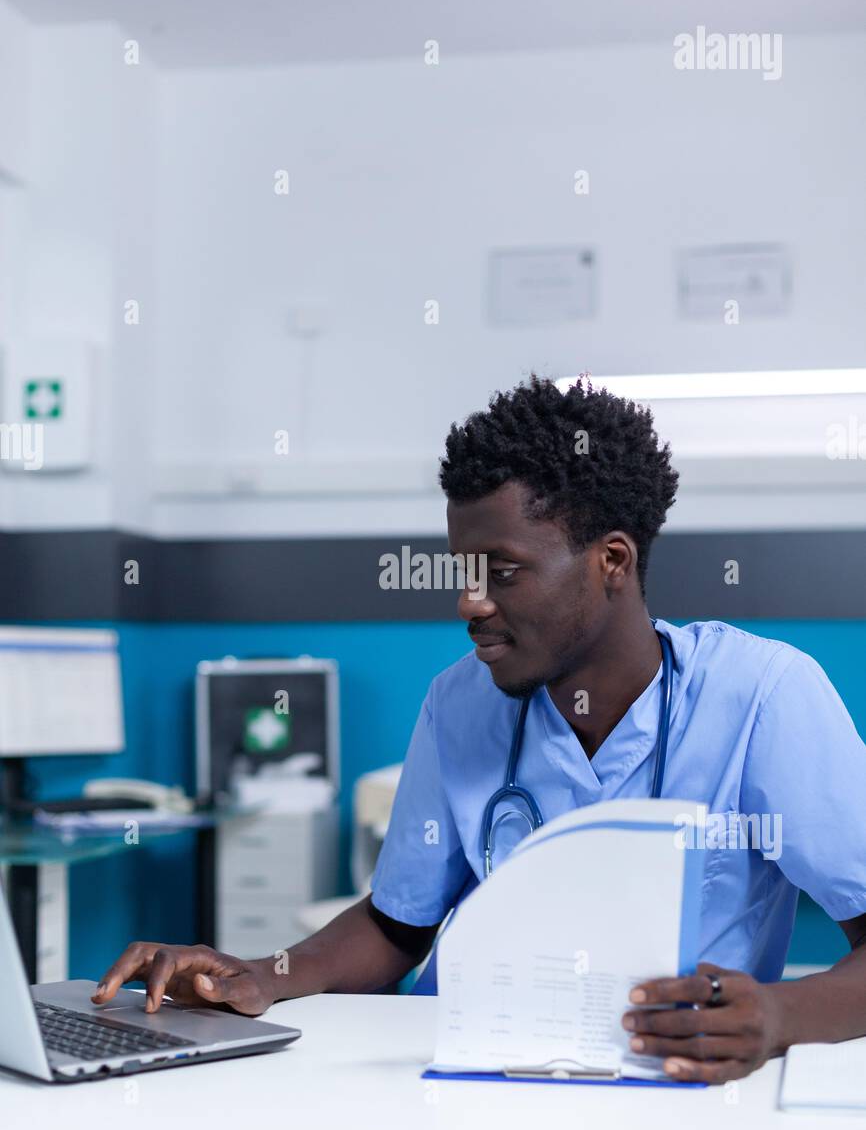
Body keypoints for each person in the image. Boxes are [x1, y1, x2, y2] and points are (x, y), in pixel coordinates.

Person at [94, 375, 866, 1084]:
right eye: (461, 571)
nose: (469, 601)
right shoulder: (461, 702)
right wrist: (265, 973)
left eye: (501, 571)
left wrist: (778, 1016)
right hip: (464, 1070)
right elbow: (399, 924)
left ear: (612, 562)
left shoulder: (763, 699)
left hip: (663, 1081)